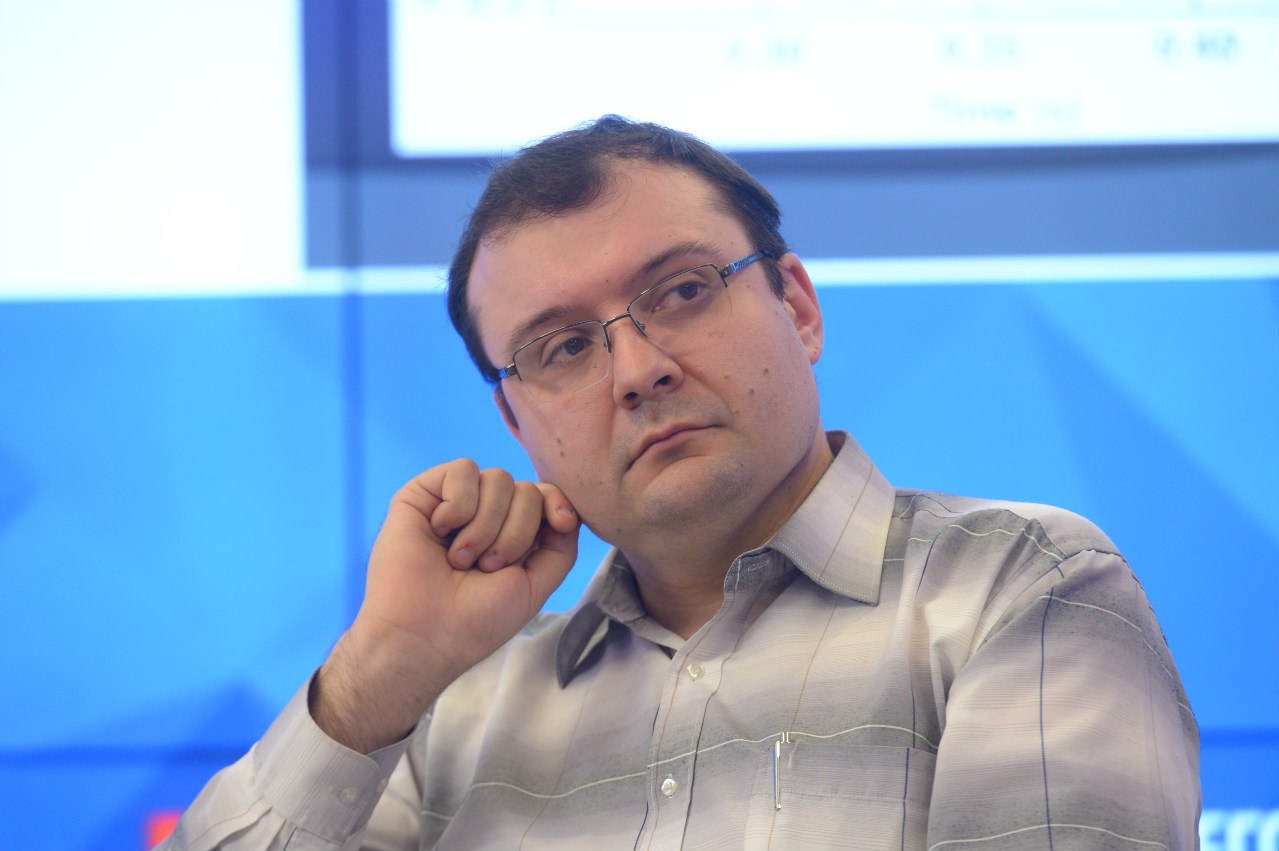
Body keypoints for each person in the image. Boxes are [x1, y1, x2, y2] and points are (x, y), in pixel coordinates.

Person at [162, 116, 1200, 850]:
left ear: (797, 307)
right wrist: (381, 674)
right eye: (564, 347)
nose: (636, 368)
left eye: (683, 291)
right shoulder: (458, 704)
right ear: (518, 425)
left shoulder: (1016, 587)